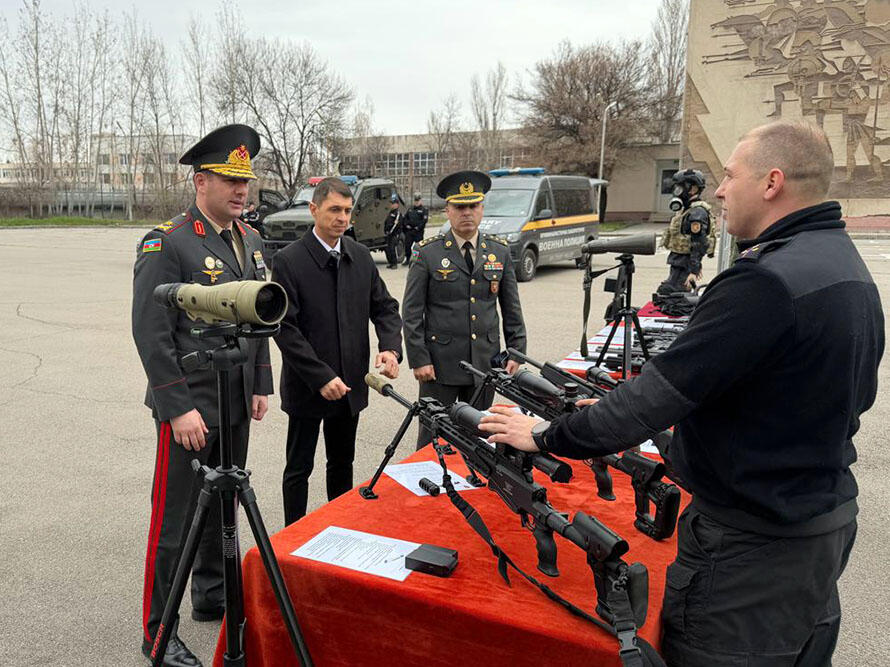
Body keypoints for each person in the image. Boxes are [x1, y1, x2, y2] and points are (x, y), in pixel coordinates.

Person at [479, 120, 884, 666]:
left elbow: (651, 399)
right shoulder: (842, 264)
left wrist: (547, 434)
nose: (719, 191)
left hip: (749, 553)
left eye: (730, 176)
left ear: (771, 183)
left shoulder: (764, 281)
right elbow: (816, 398)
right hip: (818, 527)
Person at [132, 124, 272, 667]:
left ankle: (211, 595)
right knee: (175, 524)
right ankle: (158, 633)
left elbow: (259, 316)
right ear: (200, 182)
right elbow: (151, 332)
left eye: (245, 181)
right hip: (190, 406)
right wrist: (177, 407)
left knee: (224, 511)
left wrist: (260, 383)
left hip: (234, 400)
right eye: (230, 180)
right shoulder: (168, 241)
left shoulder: (250, 239)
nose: (241, 190)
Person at [273, 176, 403, 525]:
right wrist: (320, 377)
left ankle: (340, 530)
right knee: (299, 467)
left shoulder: (359, 256)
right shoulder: (289, 260)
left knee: (342, 464)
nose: (342, 218)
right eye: (334, 210)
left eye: (347, 210)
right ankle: (292, 535)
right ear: (314, 209)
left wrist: (390, 349)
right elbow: (285, 328)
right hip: (308, 386)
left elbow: (385, 308)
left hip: (349, 385)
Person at [403, 170, 527, 449]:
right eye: (460, 207)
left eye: (473, 206)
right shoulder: (427, 252)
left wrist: (516, 350)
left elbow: (511, 306)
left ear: (482, 208)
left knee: (479, 438)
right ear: (447, 211)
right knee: (433, 437)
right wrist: (419, 359)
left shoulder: (499, 251)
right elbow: (411, 312)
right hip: (440, 365)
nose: (467, 212)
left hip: (485, 363)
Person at [658, 169, 716, 294]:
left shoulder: (697, 213)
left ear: (693, 189)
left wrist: (693, 271)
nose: (677, 191)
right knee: (670, 294)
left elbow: (699, 243)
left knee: (670, 294)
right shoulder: (687, 209)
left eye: (680, 187)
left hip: (684, 266)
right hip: (679, 264)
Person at [401, 192, 429, 265]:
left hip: (418, 232)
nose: (416, 202)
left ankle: (415, 260)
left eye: (418, 201)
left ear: (420, 201)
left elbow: (424, 221)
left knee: (417, 247)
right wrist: (406, 225)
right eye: (415, 201)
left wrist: (418, 227)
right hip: (410, 231)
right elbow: (405, 218)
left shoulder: (424, 209)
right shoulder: (410, 209)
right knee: (407, 246)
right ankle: (408, 259)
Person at [383, 192, 402, 269]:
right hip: (388, 234)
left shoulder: (397, 213)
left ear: (397, 204)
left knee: (392, 248)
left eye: (393, 203)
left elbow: (396, 224)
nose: (391, 205)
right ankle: (390, 262)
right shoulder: (390, 212)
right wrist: (385, 231)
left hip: (394, 234)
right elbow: (386, 223)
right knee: (388, 249)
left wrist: (390, 232)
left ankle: (394, 263)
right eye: (391, 203)